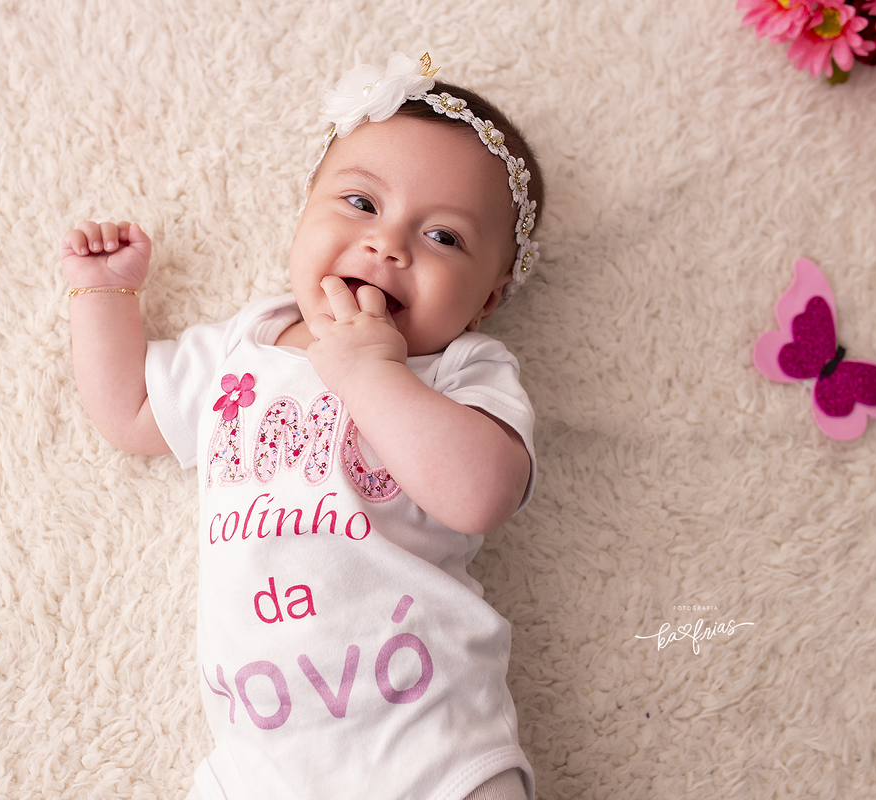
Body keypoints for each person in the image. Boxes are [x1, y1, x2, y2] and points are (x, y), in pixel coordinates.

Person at [61, 52, 544, 800]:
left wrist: (370, 372)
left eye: (444, 238)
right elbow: (128, 412)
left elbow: (483, 493)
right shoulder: (243, 347)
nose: (388, 246)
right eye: (360, 203)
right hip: (261, 763)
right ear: (303, 212)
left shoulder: (460, 371)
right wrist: (103, 297)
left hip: (433, 740)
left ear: (485, 301)